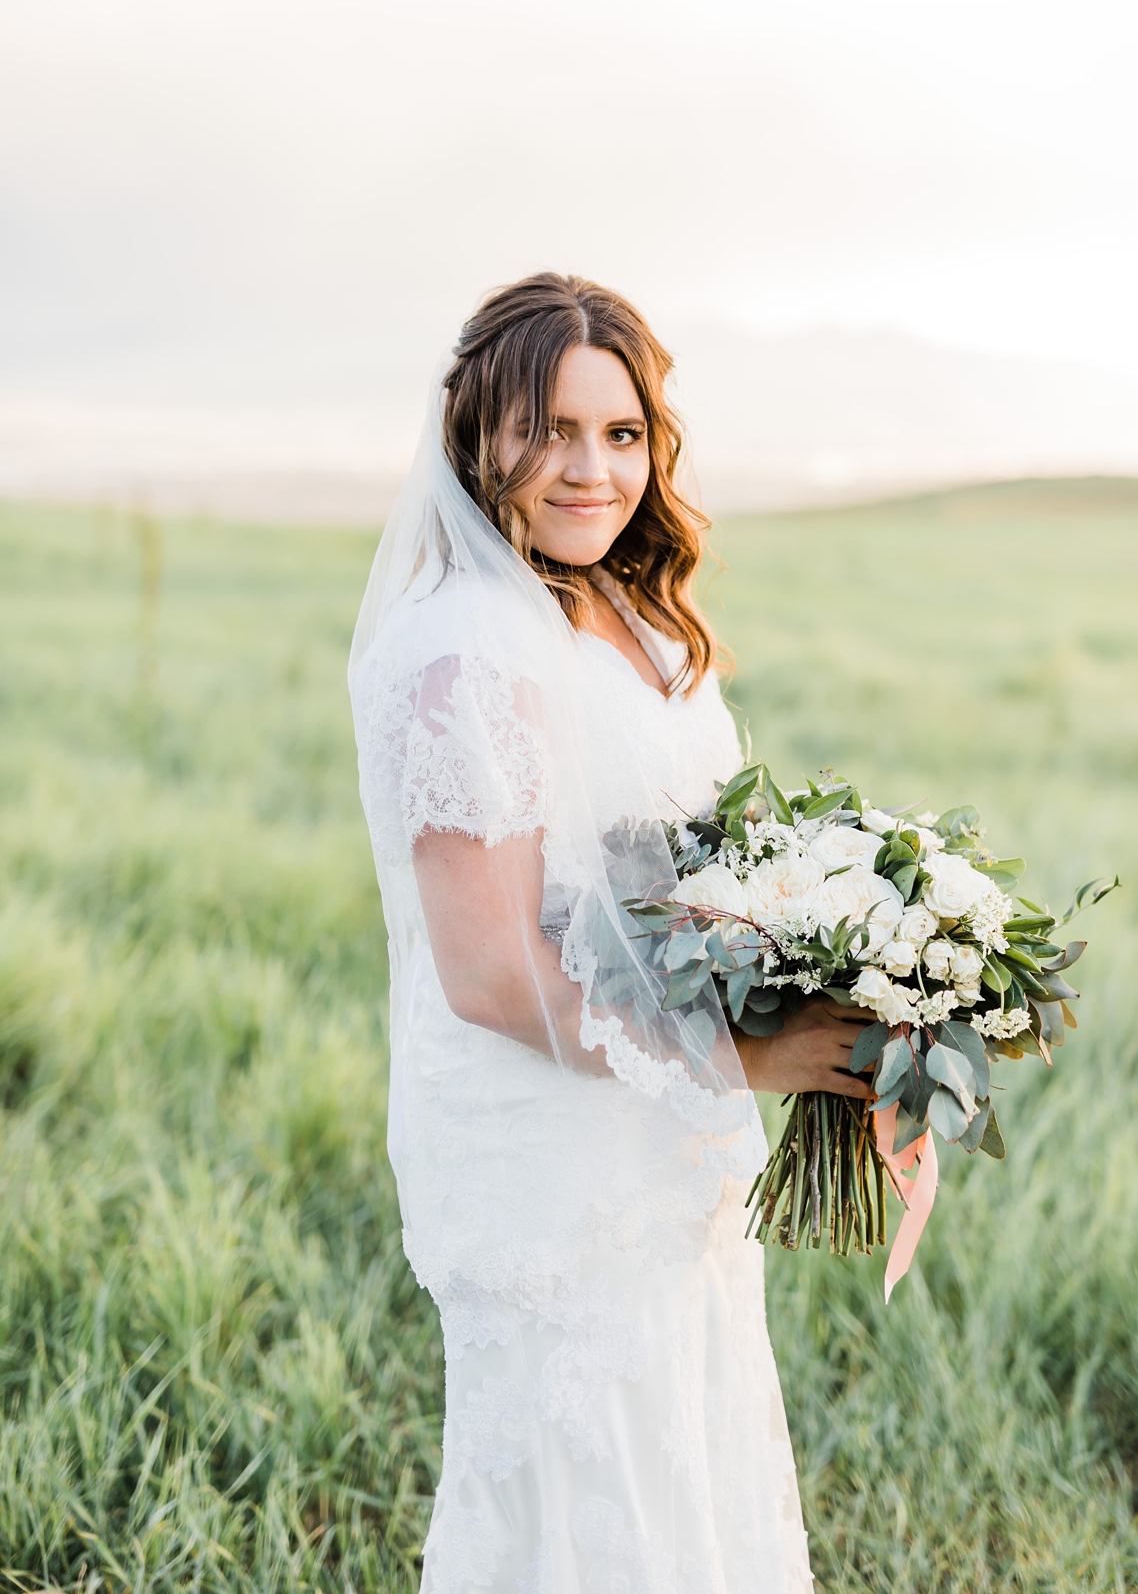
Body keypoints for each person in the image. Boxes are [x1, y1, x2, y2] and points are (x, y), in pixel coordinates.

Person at [349, 273, 870, 1593]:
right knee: (582, 1507)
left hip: (666, 1132)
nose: (593, 469)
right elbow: (487, 972)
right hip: (551, 1157)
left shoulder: (634, 616)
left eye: (622, 433)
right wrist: (756, 1056)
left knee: (687, 1466)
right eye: (553, 430)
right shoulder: (461, 647)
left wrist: (830, 955)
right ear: (478, 435)